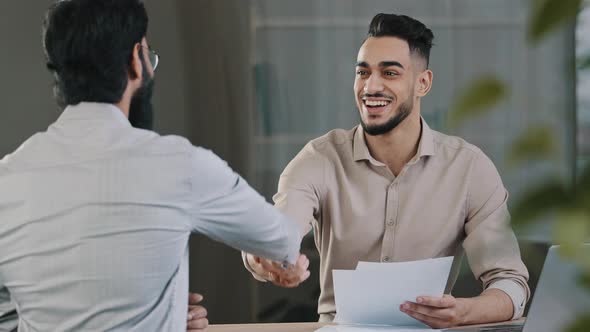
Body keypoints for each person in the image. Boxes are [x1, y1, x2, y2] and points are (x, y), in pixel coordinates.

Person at [0, 0, 309, 331]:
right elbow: (283, 241)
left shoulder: (8, 177)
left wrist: (166, 309)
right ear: (136, 59)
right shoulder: (181, 165)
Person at [243, 13, 530, 329]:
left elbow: (511, 284)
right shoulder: (319, 159)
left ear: (422, 83)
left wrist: (463, 312)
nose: (371, 86)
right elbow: (276, 231)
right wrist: (270, 255)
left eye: (389, 73)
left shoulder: (469, 168)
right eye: (362, 72)